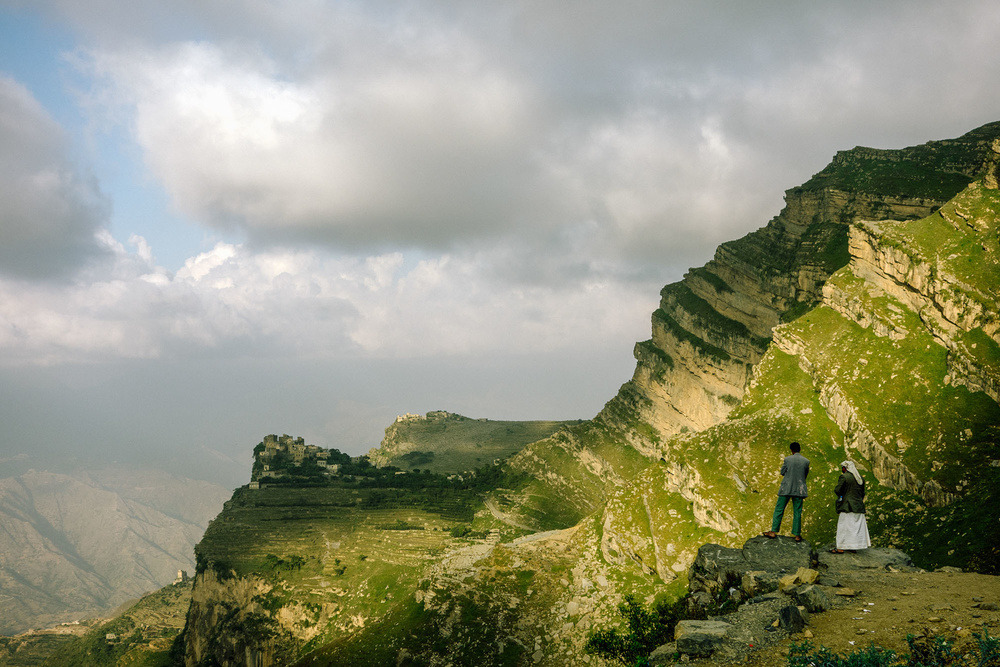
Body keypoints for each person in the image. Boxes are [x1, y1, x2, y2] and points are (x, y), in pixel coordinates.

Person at [763, 441, 809, 542]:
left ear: (791, 450)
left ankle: (774, 531)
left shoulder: (787, 459)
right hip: (799, 489)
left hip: (786, 488)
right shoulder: (806, 461)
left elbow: (782, 472)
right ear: (799, 449)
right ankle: (797, 535)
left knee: (779, 509)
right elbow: (805, 474)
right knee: (797, 511)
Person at [830, 460, 870, 553]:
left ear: (845, 468)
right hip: (858, 506)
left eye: (842, 468)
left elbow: (837, 490)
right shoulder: (860, 479)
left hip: (847, 506)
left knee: (843, 526)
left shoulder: (844, 477)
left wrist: (843, 495)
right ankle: (852, 547)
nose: (842, 470)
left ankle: (840, 547)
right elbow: (862, 493)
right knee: (855, 528)